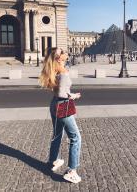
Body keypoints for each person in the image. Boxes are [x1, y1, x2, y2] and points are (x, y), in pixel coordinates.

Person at [39, 48, 82, 184]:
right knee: (75, 137)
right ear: (58, 58)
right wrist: (73, 96)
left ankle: (53, 160)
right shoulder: (62, 74)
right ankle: (72, 171)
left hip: (55, 105)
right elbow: (62, 94)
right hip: (63, 106)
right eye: (62, 51)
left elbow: (58, 91)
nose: (65, 52)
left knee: (57, 134)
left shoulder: (56, 70)